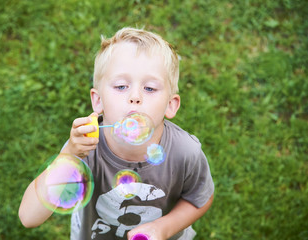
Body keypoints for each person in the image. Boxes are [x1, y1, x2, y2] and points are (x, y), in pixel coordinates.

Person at [19, 27, 214, 240]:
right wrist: (69, 156)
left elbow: (199, 198)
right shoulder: (84, 148)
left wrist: (163, 228)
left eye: (149, 88)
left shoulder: (185, 152)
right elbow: (29, 217)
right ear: (98, 100)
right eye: (121, 86)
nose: (135, 96)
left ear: (170, 105)